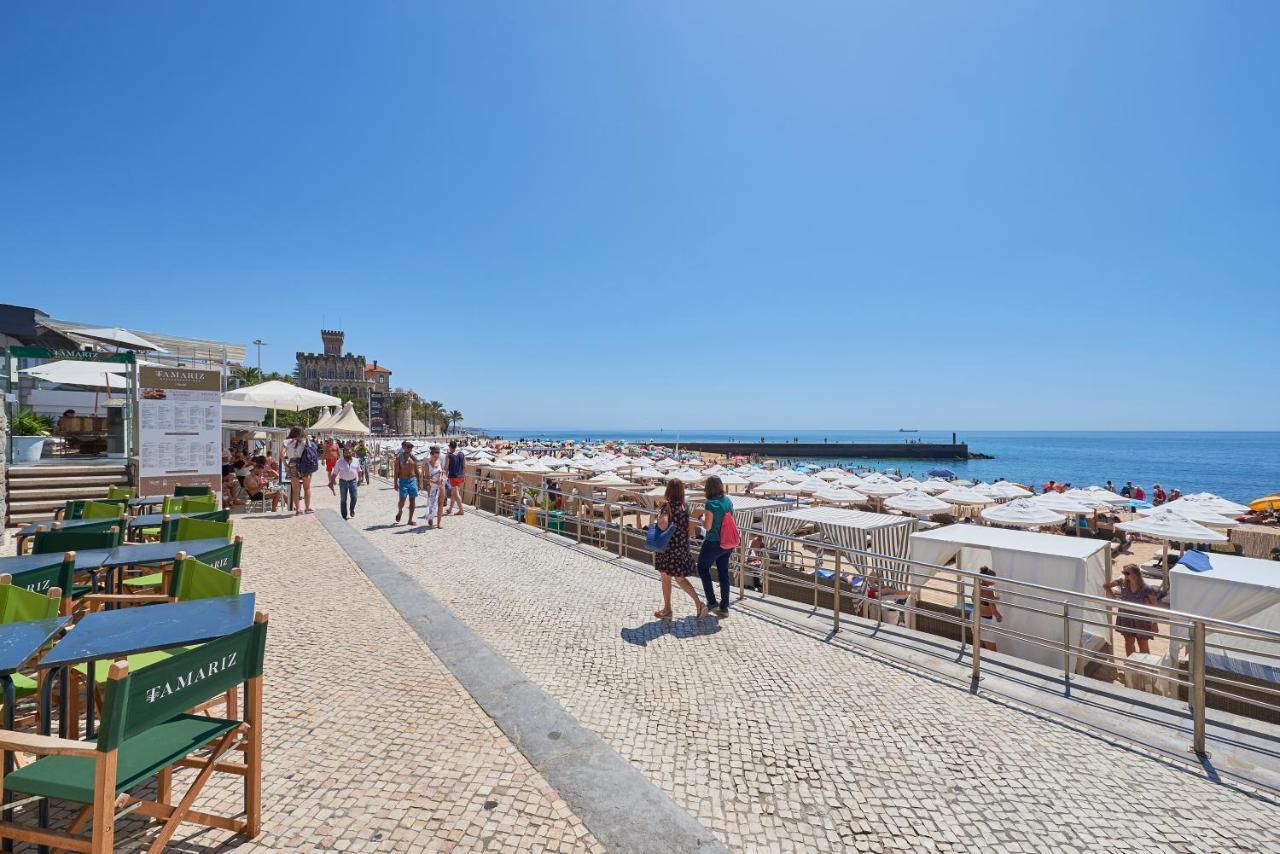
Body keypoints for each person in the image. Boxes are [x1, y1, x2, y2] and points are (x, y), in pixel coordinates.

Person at [652, 479, 706, 619]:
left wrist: (658, 516)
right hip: (681, 546)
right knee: (680, 578)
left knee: (666, 579)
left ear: (668, 490)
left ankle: (669, 609)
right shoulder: (684, 507)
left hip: (668, 548)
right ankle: (697, 603)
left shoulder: (667, 507)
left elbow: (663, 526)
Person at [696, 475, 735, 617]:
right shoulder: (728, 501)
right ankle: (724, 607)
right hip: (727, 543)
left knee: (702, 568)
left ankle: (712, 602)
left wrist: (702, 518)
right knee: (723, 573)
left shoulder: (710, 504)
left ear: (708, 488)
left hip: (713, 542)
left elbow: (708, 526)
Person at [1105, 564, 1159, 656]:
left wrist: (1155, 623)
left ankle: (1145, 667)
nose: (1124, 575)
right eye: (1123, 572)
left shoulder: (1146, 589)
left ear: (1135, 575)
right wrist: (1115, 598)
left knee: (1143, 645)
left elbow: (1154, 607)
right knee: (1129, 643)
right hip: (1126, 617)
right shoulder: (1122, 582)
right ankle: (1131, 665)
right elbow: (1106, 586)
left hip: (1141, 620)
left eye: (1126, 573)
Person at [284, 426, 314, 515]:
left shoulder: (287, 441)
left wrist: (286, 465)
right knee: (307, 487)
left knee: (295, 489)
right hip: (304, 463)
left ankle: (298, 509)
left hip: (292, 464)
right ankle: (307, 508)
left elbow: (282, 454)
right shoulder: (306, 441)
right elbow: (310, 451)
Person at [393, 441, 420, 525]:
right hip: (403, 480)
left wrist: (419, 482)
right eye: (408, 447)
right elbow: (396, 471)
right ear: (404, 448)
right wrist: (395, 483)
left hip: (412, 480)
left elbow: (416, 470)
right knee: (402, 500)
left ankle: (410, 519)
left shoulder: (413, 458)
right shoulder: (399, 458)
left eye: (410, 448)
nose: (409, 449)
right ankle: (400, 511)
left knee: (412, 500)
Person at [978, 567, 1003, 651]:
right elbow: (993, 610)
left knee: (979, 644)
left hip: (975, 616)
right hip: (985, 621)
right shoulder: (988, 590)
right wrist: (999, 617)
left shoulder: (977, 586)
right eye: (993, 578)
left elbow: (979, 600)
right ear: (986, 579)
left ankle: (976, 662)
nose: (995, 580)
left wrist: (994, 598)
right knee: (992, 649)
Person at [334, 445, 362, 520]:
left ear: (352, 452)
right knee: (343, 499)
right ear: (343, 453)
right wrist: (332, 480)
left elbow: (359, 471)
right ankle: (344, 515)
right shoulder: (339, 461)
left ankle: (351, 509)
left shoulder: (356, 460)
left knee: (354, 498)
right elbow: (335, 472)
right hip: (343, 482)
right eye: (346, 453)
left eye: (349, 452)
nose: (348, 454)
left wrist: (360, 479)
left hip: (353, 481)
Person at [423, 446, 445, 529]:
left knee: (440, 504)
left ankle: (439, 522)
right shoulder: (427, 465)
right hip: (432, 487)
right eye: (435, 456)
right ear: (431, 455)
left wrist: (442, 477)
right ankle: (430, 517)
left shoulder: (439, 462)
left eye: (438, 455)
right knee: (431, 504)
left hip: (441, 486)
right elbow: (427, 478)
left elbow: (442, 472)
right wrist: (435, 482)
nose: (437, 457)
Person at [446, 440, 466, 516]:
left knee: (456, 494)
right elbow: (464, 466)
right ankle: (450, 509)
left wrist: (444, 474)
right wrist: (463, 475)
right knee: (454, 493)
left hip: (453, 477)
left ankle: (461, 510)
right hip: (460, 476)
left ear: (450, 447)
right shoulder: (462, 454)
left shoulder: (449, 455)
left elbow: (446, 467)